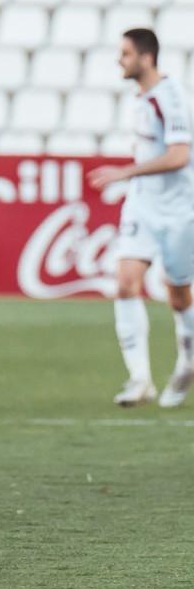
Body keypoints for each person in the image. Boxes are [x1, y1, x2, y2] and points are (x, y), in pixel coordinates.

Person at [89, 28, 194, 408]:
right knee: (125, 283)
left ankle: (188, 360)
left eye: (126, 53)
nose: (120, 60)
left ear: (146, 57)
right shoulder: (139, 99)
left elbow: (180, 156)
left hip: (179, 210)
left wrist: (126, 172)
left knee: (177, 293)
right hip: (143, 207)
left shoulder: (170, 96)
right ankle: (140, 379)